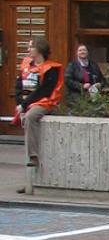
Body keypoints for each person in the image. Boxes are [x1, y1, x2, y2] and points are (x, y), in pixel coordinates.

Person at [14, 37, 63, 193]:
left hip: (44, 103)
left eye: (30, 47)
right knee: (28, 127)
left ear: (39, 49)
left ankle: (33, 156)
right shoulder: (26, 66)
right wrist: (19, 103)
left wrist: (24, 105)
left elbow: (45, 91)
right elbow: (19, 87)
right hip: (27, 104)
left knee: (30, 117)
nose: (28, 50)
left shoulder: (51, 68)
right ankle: (30, 180)